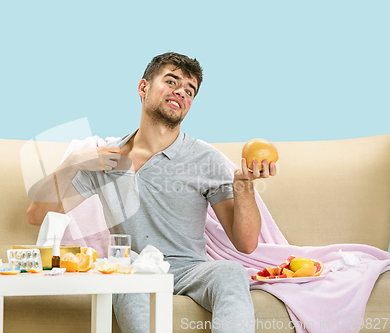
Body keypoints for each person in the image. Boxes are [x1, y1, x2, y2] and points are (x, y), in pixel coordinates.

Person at [27, 52, 277, 333]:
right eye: (171, 81)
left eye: (189, 90)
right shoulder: (106, 159)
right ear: (143, 88)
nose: (181, 92)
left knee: (231, 271)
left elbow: (245, 244)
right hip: (136, 268)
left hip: (191, 270)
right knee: (125, 273)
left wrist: (244, 185)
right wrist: (73, 162)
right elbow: (37, 214)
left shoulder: (207, 159)